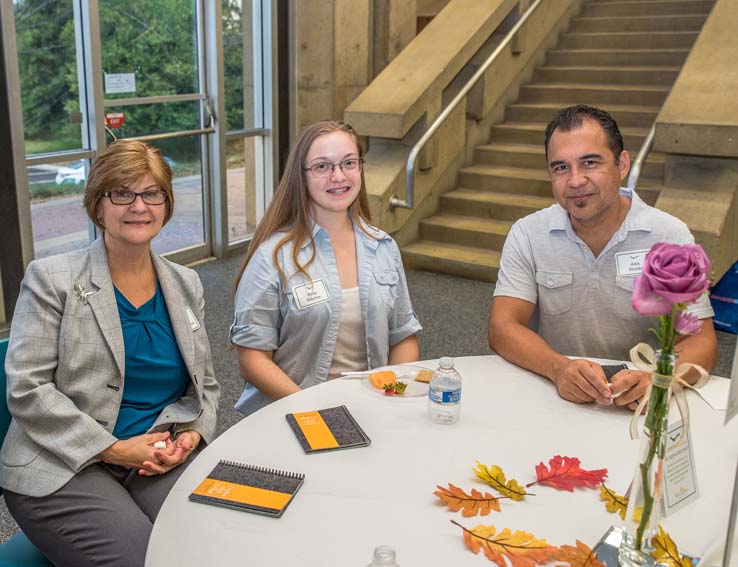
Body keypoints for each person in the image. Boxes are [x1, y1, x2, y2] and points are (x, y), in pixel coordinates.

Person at [0, 140, 220, 567]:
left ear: (166, 205)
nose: (138, 205)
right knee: (145, 559)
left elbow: (205, 383)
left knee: (217, 538)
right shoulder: (52, 279)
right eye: (121, 193)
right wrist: (113, 449)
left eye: (151, 193)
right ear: (97, 205)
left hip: (154, 455)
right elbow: (27, 388)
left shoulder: (186, 284)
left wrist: (192, 435)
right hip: (64, 463)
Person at [487, 105, 717, 410]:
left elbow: (702, 340)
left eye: (590, 162)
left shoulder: (668, 236)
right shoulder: (529, 233)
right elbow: (503, 327)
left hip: (638, 404)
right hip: (556, 394)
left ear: (622, 164)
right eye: (560, 167)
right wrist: (557, 368)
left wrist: (660, 378)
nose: (575, 181)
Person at [230, 120, 421, 415]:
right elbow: (252, 358)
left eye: (349, 163)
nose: (338, 176)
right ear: (301, 176)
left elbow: (403, 336)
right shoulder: (273, 257)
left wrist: (393, 396)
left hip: (375, 410)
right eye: (322, 166)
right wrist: (315, 411)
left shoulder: (383, 248)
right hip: (296, 411)